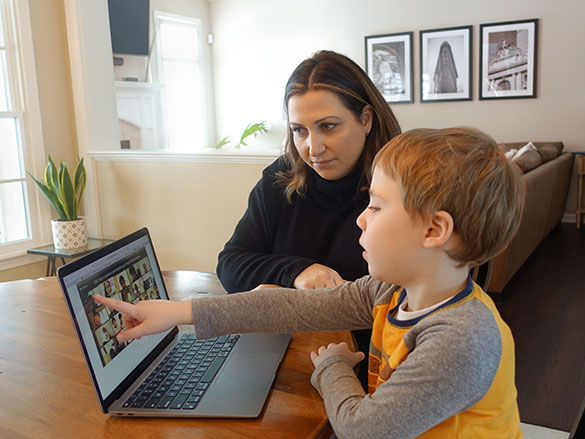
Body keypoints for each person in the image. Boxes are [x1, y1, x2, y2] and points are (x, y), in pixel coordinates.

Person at [95, 127, 524, 438]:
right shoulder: (392, 292)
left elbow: (363, 430)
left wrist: (332, 367)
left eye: (376, 206)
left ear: (434, 231)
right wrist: (176, 312)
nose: (361, 217)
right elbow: (289, 306)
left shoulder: (462, 339)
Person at [216, 50, 401, 388]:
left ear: (366, 119)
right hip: (285, 360)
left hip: (364, 368)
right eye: (299, 130)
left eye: (328, 127)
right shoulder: (280, 179)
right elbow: (230, 264)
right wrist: (296, 271)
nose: (312, 148)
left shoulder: (400, 185)